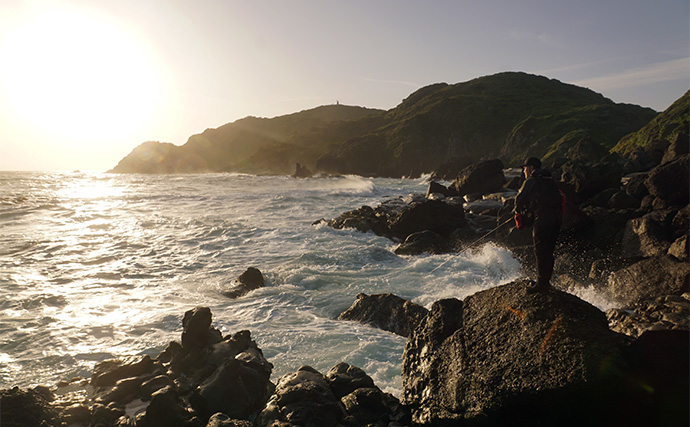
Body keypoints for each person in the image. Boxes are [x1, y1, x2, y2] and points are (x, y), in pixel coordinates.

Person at [514, 157, 562, 292]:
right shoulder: (549, 180)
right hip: (557, 218)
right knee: (549, 251)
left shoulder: (531, 180)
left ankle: (541, 284)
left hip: (543, 219)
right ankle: (546, 282)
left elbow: (519, 200)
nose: (524, 172)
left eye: (524, 169)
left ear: (530, 168)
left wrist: (519, 213)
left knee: (540, 251)